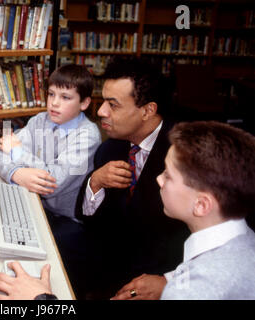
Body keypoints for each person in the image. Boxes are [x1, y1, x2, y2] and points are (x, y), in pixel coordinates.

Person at [0, 121, 255, 300]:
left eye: (169, 176)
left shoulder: (200, 289)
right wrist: (169, 281)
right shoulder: (243, 243)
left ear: (202, 204)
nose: (158, 180)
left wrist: (40, 300)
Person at [74, 57, 189, 298]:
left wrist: (169, 281)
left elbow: (216, 239)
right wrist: (95, 183)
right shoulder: (109, 149)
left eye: (112, 105)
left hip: (166, 278)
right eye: (103, 100)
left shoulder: (189, 153)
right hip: (113, 269)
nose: (101, 111)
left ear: (148, 110)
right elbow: (91, 221)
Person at [0, 64, 101, 299]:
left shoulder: (87, 135)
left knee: (42, 267)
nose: (54, 103)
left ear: (84, 103)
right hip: (37, 205)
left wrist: (18, 154)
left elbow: (53, 183)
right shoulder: (40, 120)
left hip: (68, 220)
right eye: (51, 94)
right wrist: (16, 174)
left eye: (65, 97)